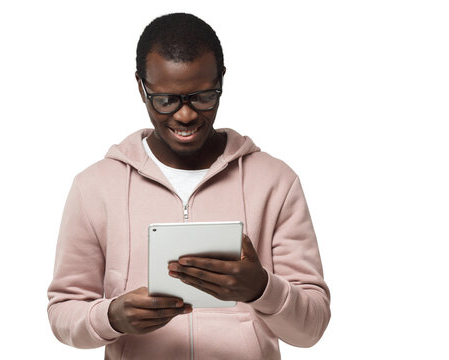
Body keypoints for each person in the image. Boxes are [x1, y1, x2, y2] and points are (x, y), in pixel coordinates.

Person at [47, 13, 330, 360]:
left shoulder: (275, 182)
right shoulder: (95, 187)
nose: (185, 116)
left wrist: (261, 289)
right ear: (141, 87)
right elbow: (63, 313)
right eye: (166, 100)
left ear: (221, 81)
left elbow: (312, 328)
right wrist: (112, 317)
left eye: (202, 97)